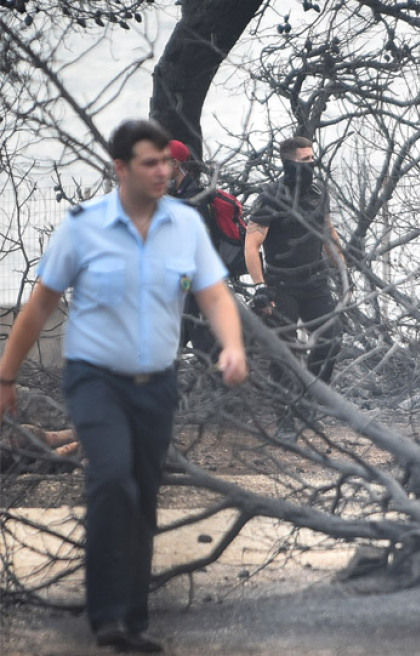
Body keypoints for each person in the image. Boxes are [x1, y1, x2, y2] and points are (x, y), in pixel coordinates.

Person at [0, 119, 248, 652]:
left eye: (168, 162)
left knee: (144, 491)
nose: (164, 171)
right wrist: (7, 374)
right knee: (111, 477)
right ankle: (106, 615)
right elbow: (40, 304)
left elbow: (216, 296)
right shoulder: (83, 227)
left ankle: (133, 620)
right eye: (151, 163)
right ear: (121, 168)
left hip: (156, 383)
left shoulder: (183, 226)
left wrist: (232, 345)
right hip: (95, 379)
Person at [245, 136, 345, 437]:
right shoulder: (270, 197)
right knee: (283, 354)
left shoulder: (318, 192)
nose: (311, 165)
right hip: (281, 285)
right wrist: (260, 286)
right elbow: (252, 245)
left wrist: (343, 269)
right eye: (304, 161)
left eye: (313, 159)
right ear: (288, 163)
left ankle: (310, 404)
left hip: (315, 283)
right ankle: (286, 421)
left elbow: (328, 233)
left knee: (332, 339)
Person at [168, 140, 218, 356]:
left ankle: (219, 384)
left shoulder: (194, 198)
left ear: (176, 163)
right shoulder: (177, 195)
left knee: (197, 339)